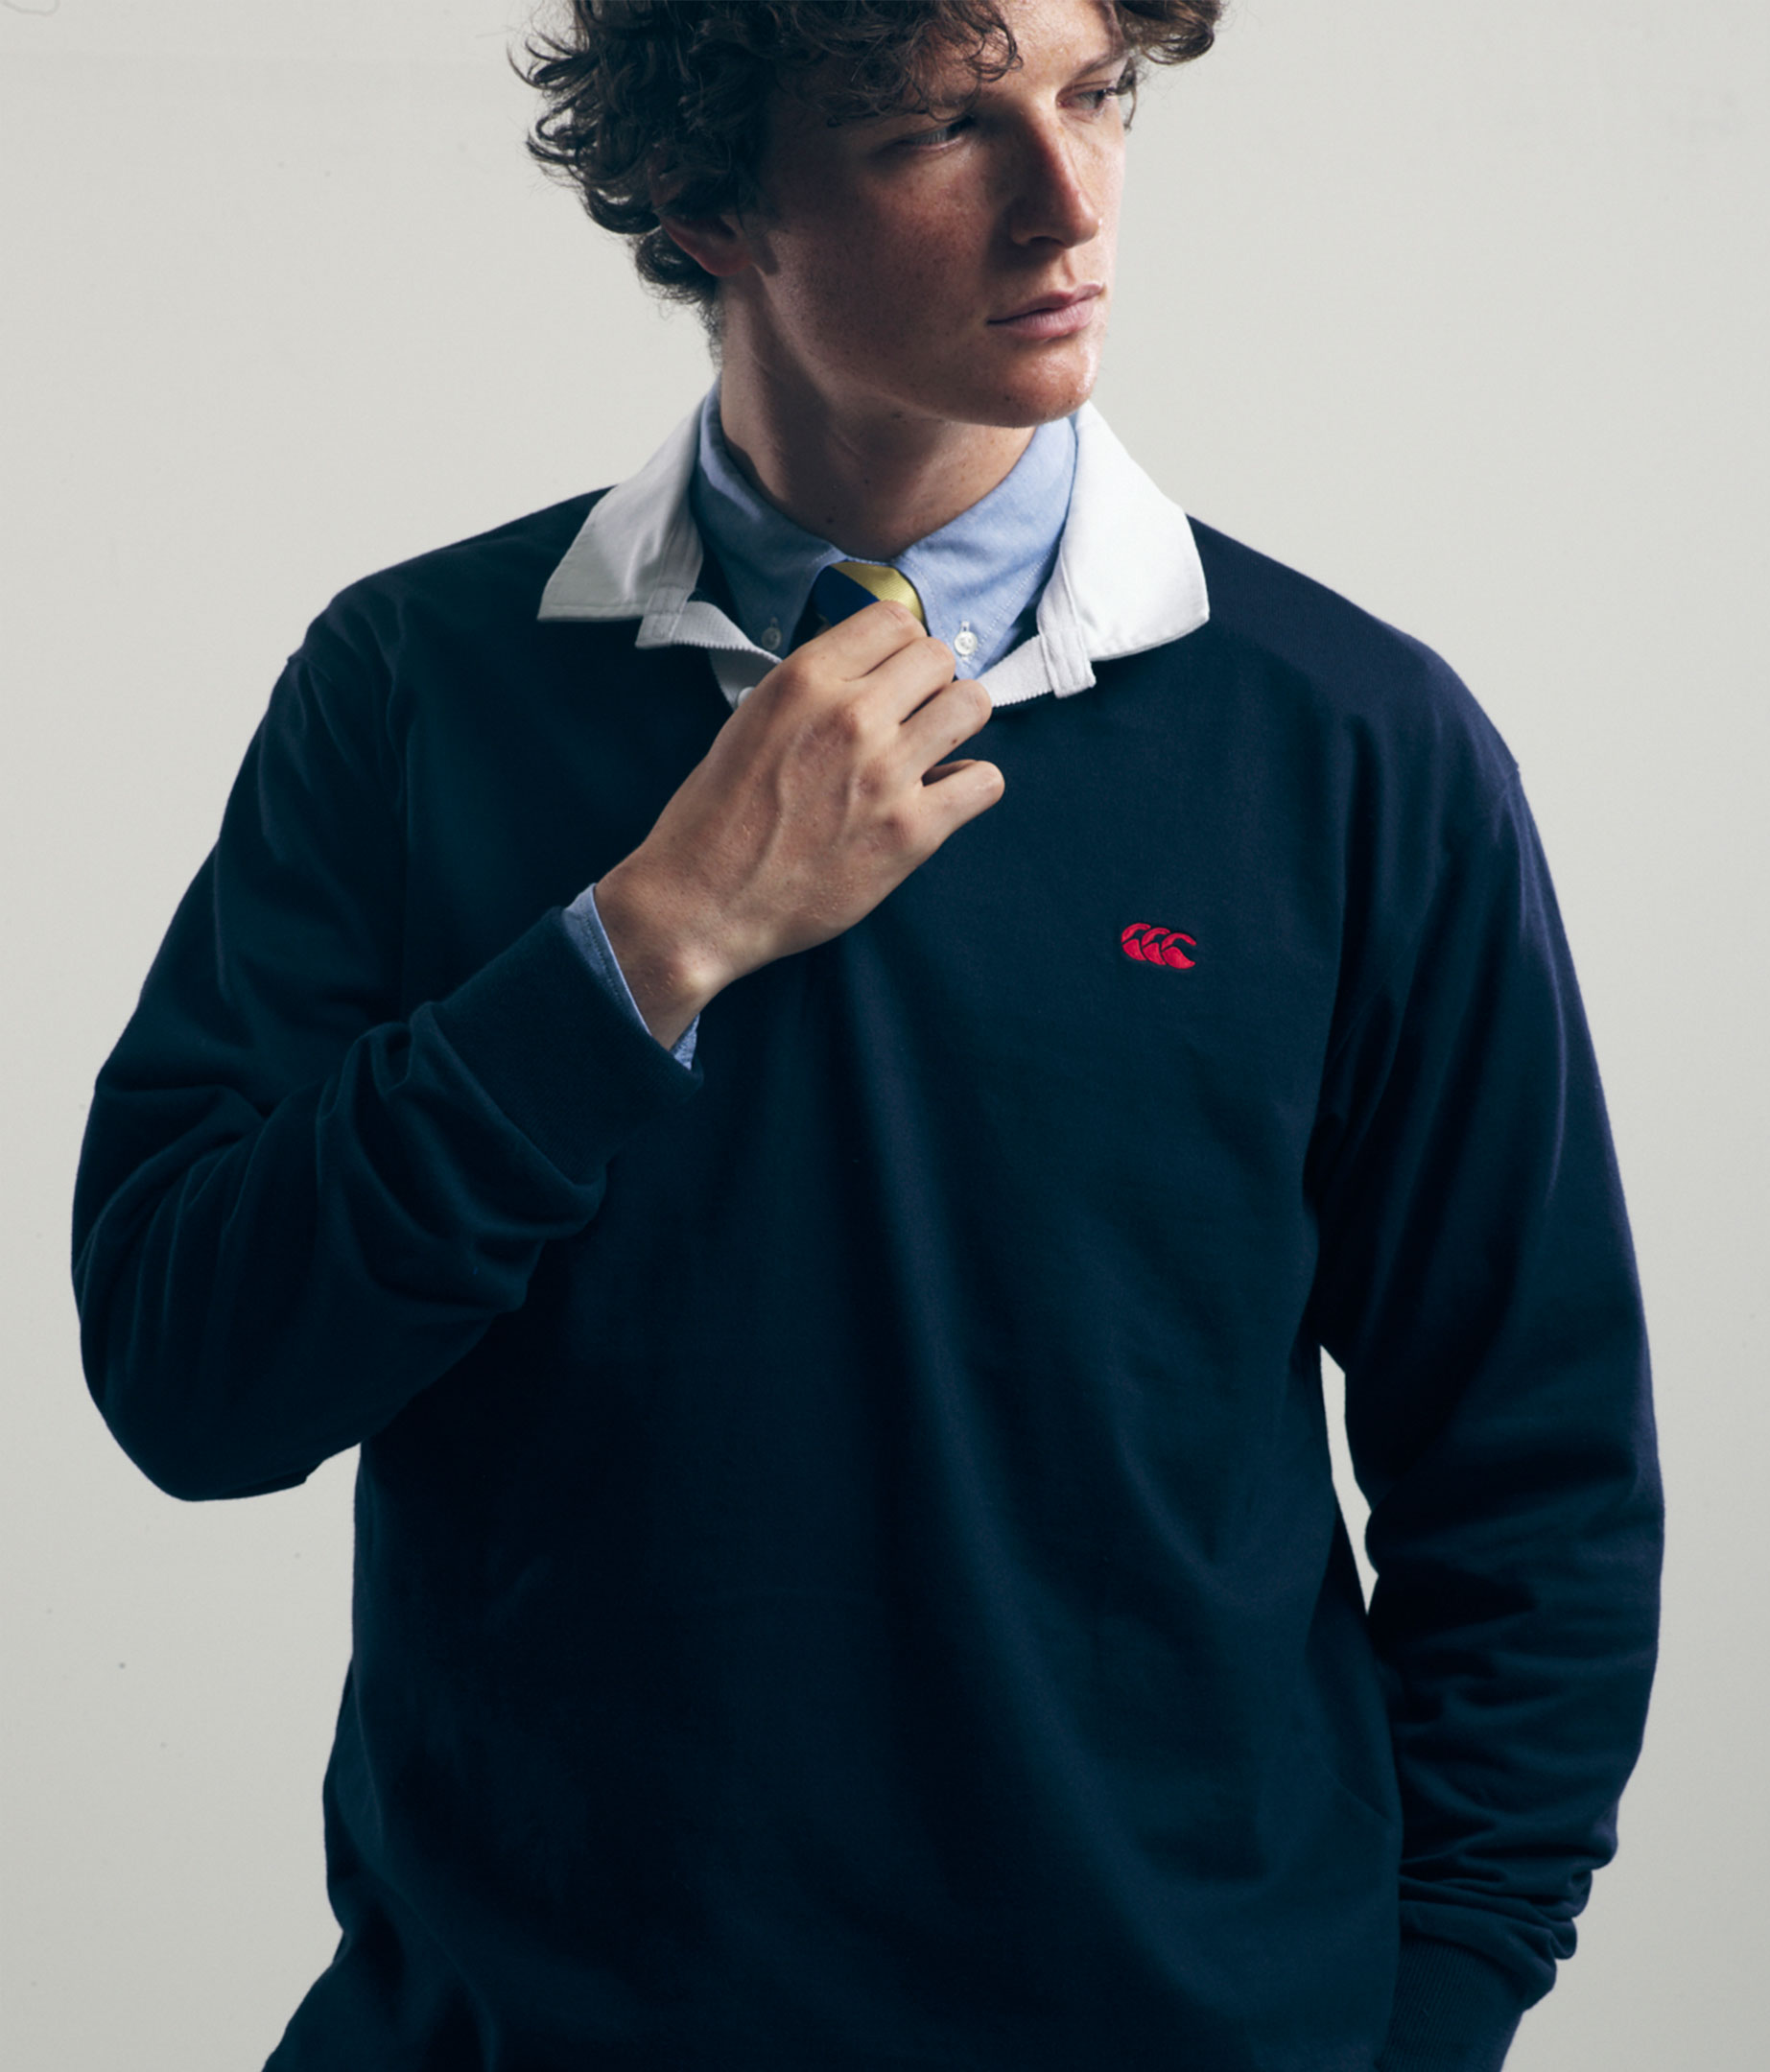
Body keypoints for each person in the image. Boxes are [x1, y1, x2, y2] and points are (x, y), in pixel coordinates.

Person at [70, 1, 1663, 2066]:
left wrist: (1433, 2015)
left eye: (1095, 95)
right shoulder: (411, 692)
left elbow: (1533, 1482)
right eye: (940, 129)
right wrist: (643, 947)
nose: (1069, 201)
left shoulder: (1357, 743)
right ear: (703, 198)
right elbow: (191, 1380)